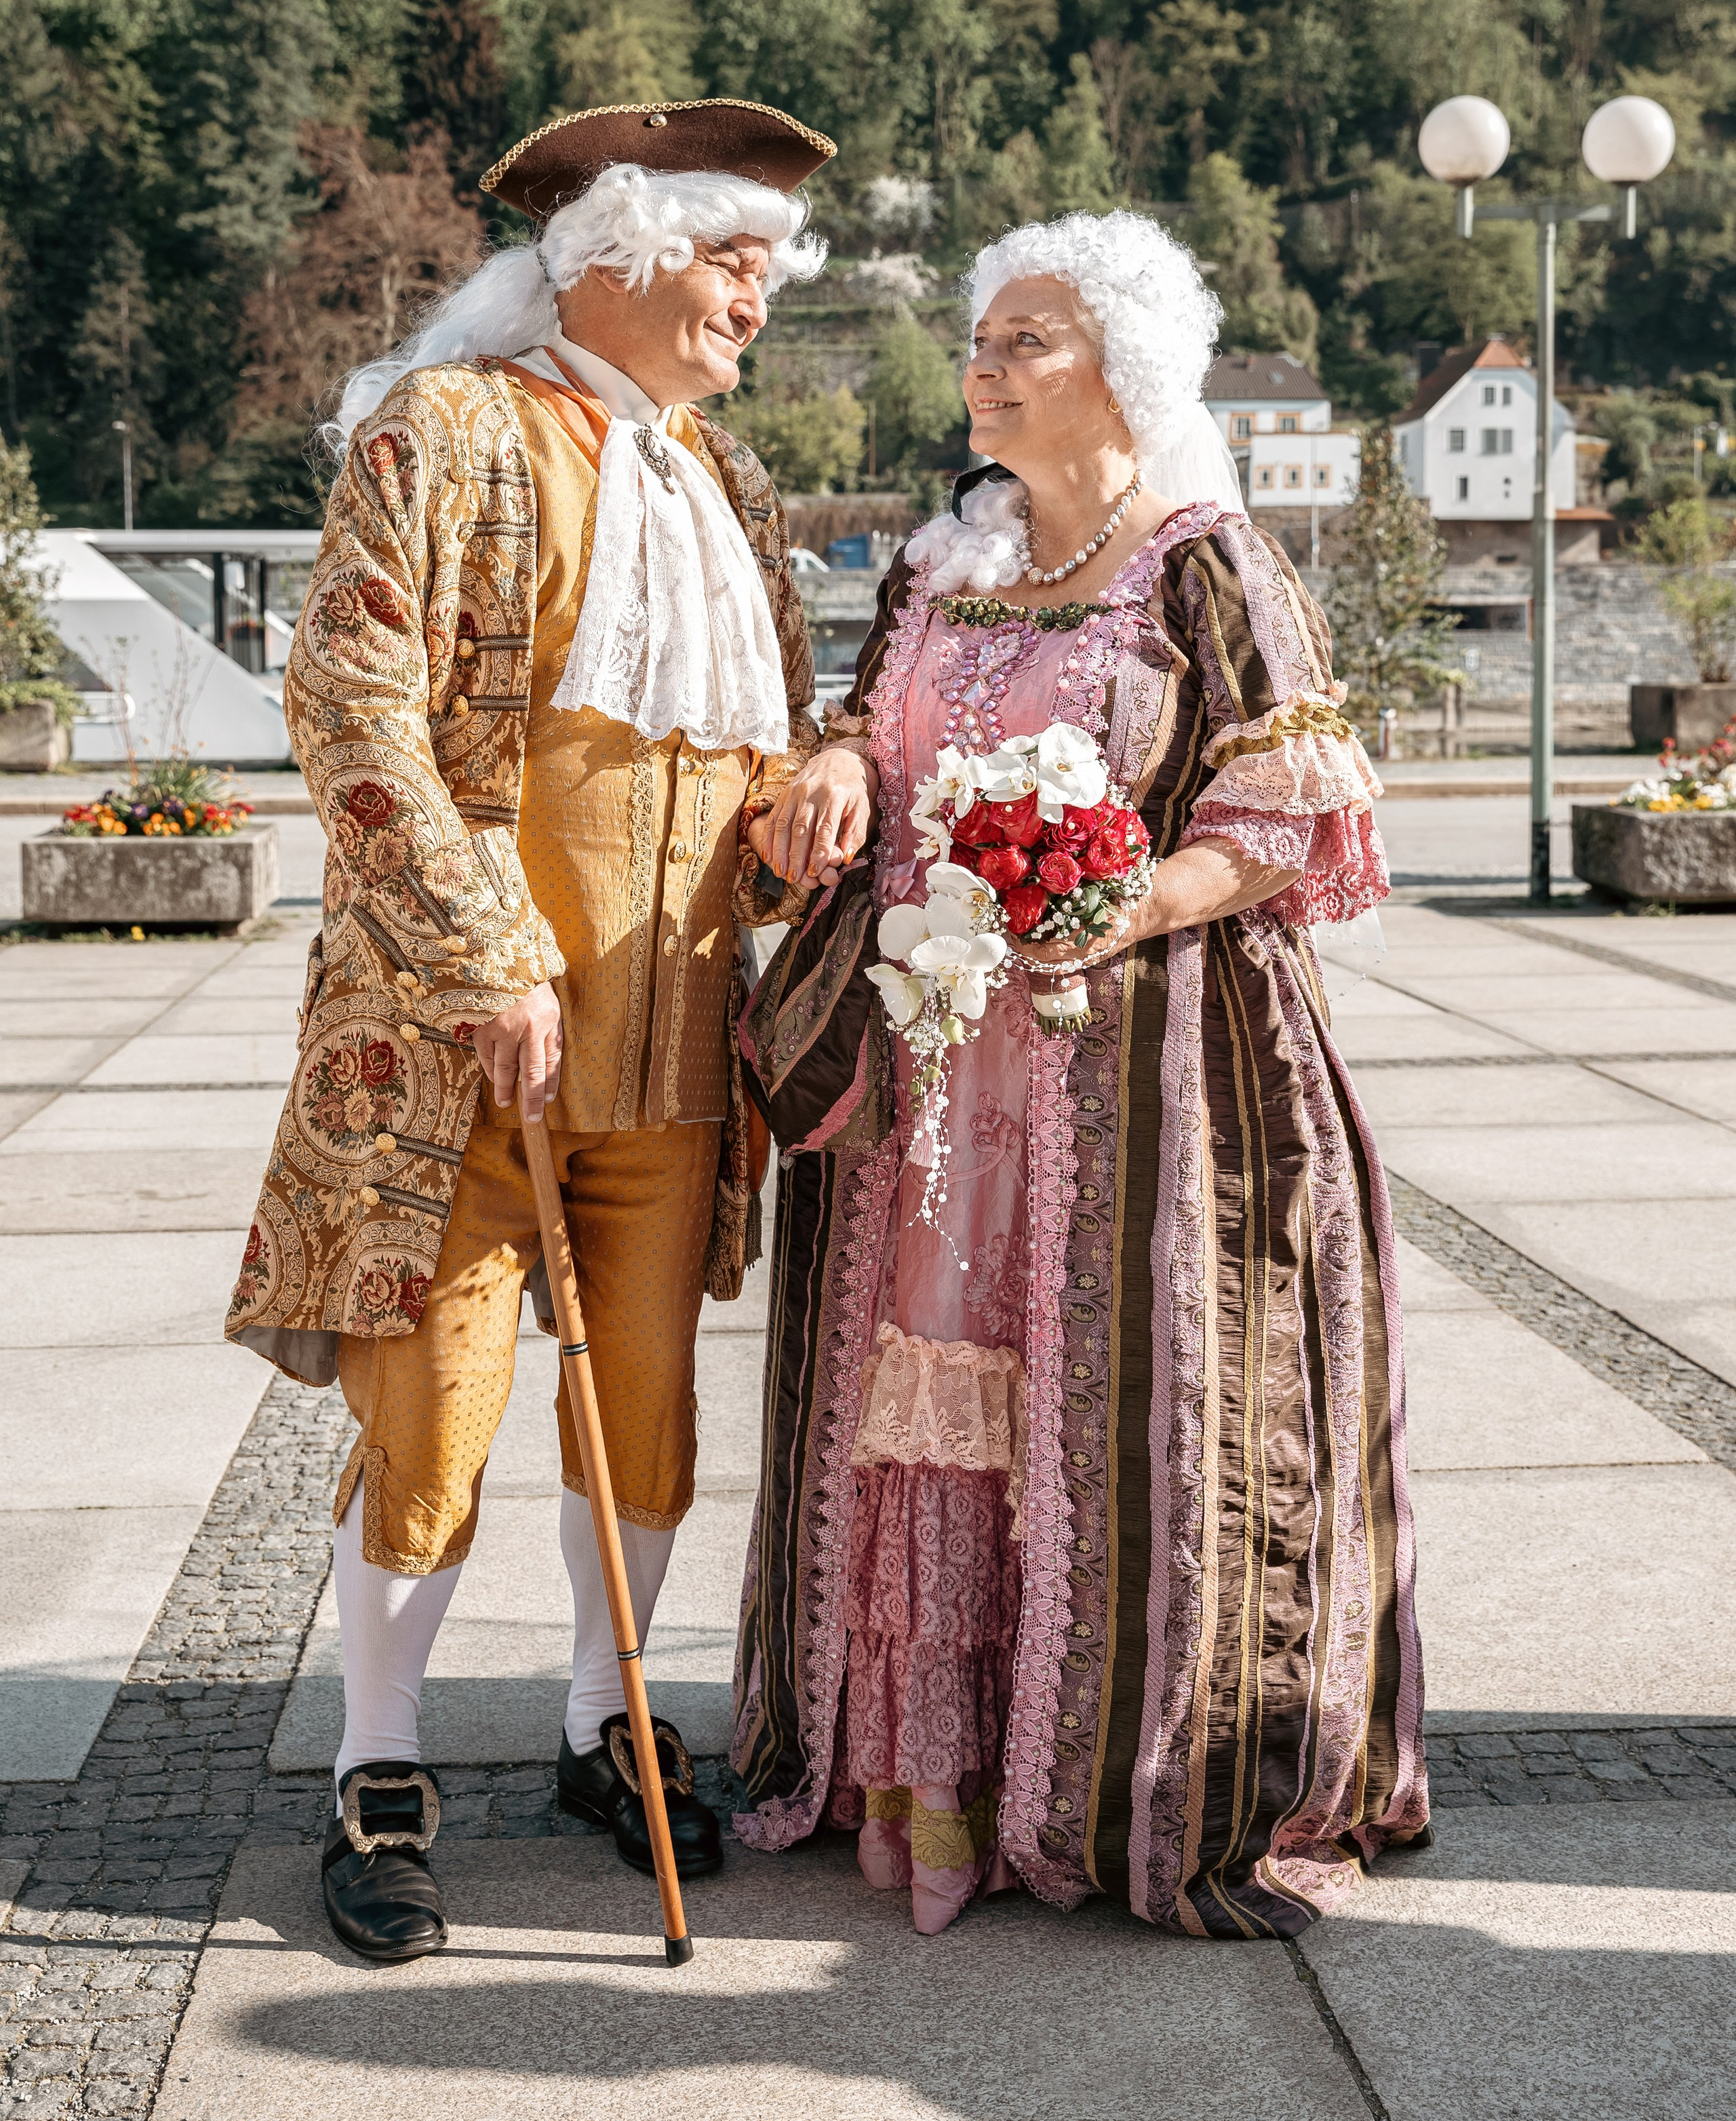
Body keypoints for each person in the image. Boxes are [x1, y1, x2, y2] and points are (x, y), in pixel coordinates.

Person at [732, 209, 1429, 1939]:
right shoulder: (933, 565)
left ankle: (1097, 1779)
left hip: (1145, 1071)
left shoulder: (1201, 564)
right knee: (911, 1390)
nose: (981, 365)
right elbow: (869, 723)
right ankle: (924, 1774)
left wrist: (1126, 904)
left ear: (1121, 367)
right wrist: (836, 759)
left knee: (1110, 1407)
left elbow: (1290, 810)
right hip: (925, 1074)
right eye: (980, 338)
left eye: (1021, 340)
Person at [225, 99, 871, 1964]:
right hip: (466, 1056)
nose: (756, 300)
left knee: (645, 1416)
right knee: (433, 1421)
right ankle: (379, 1758)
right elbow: (348, 709)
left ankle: (609, 1720)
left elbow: (763, 729)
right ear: (612, 256)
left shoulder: (728, 481)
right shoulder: (442, 429)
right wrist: (485, 950)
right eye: (731, 262)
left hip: (672, 1060)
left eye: (765, 270)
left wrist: (815, 784)